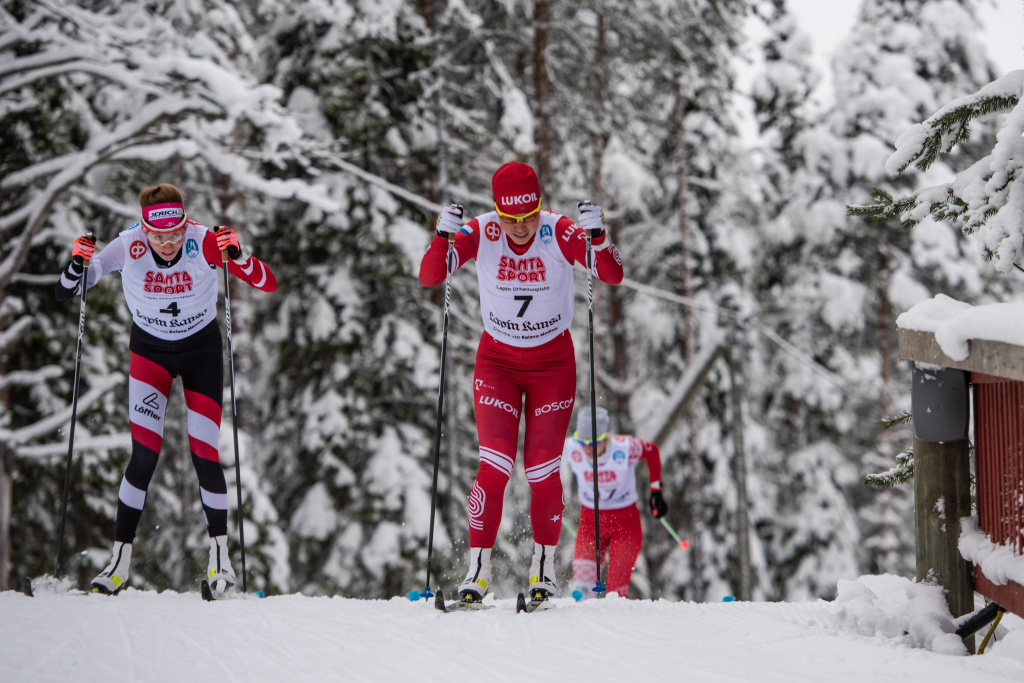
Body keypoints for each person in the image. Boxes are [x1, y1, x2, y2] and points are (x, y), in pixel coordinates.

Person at [55, 183, 277, 595]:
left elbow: (268, 283)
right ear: (144, 229)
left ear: (184, 223)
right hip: (150, 357)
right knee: (143, 455)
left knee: (204, 452)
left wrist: (239, 255)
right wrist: (78, 265)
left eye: (175, 233)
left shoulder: (204, 241)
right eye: (159, 236)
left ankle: (220, 562)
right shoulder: (127, 245)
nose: (169, 243)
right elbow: (68, 292)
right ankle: (118, 564)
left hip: (201, 355)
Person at [419, 161, 624, 603]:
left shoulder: (558, 231)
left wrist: (599, 238)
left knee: (540, 469)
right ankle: (477, 572)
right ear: (497, 210)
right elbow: (430, 276)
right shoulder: (483, 231)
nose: (519, 227)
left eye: (528, 216)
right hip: (497, 363)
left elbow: (611, 274)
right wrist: (442, 238)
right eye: (510, 218)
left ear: (538, 207)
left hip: (552, 366)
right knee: (494, 465)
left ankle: (544, 570)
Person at [563, 406, 666, 598]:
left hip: (625, 524)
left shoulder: (624, 448)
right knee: (583, 591)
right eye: (582, 442)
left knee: (615, 593)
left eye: (594, 442)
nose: (588, 448)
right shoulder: (571, 448)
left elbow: (652, 451)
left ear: (605, 437)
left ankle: (615, 626)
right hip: (590, 524)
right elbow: (544, 453)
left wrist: (656, 492)